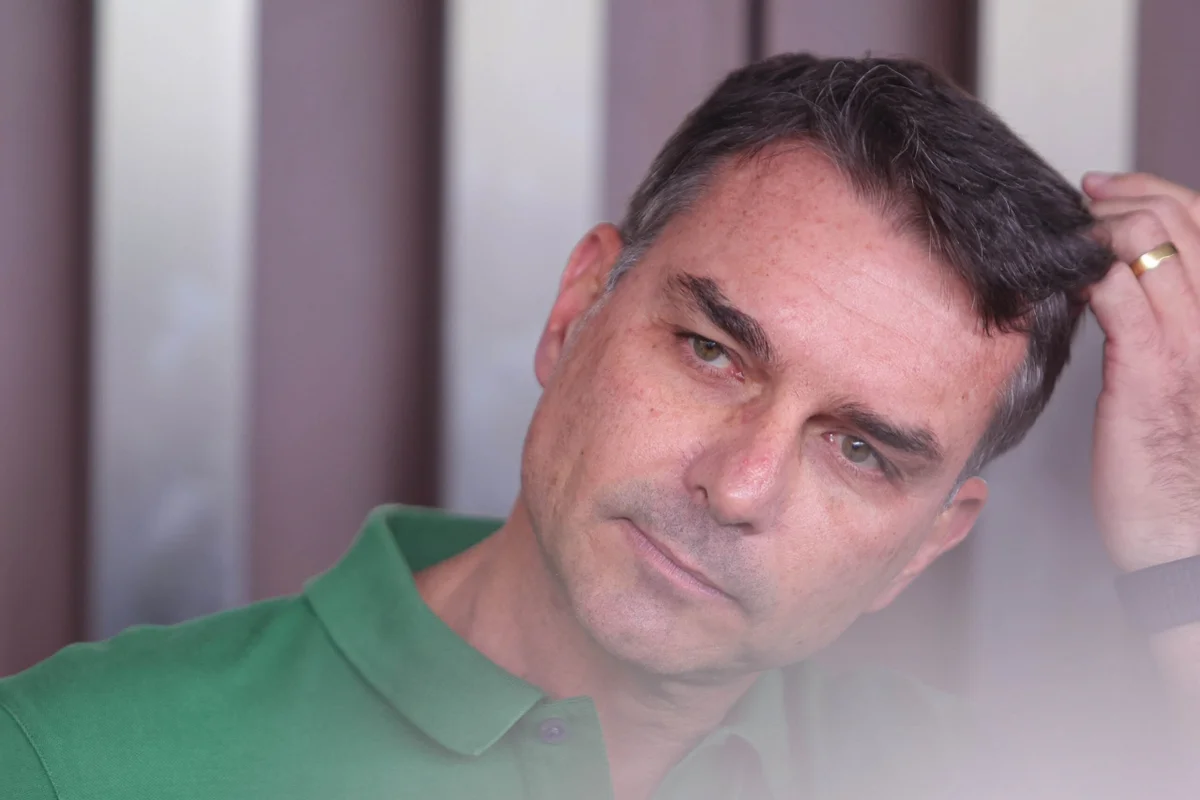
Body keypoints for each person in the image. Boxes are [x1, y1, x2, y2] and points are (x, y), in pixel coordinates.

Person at [2, 52, 1198, 800]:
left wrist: (1179, 528)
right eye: (712, 350)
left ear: (927, 544)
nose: (739, 484)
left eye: (859, 449)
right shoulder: (75, 759)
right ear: (577, 308)